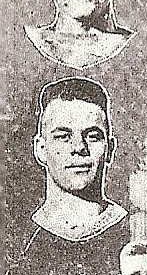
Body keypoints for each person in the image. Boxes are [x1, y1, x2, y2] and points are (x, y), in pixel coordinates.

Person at [30, 77, 127, 243]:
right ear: (41, 149)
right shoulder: (15, 243)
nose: (79, 147)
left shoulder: (132, 234)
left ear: (109, 149)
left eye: (92, 136)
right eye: (63, 136)